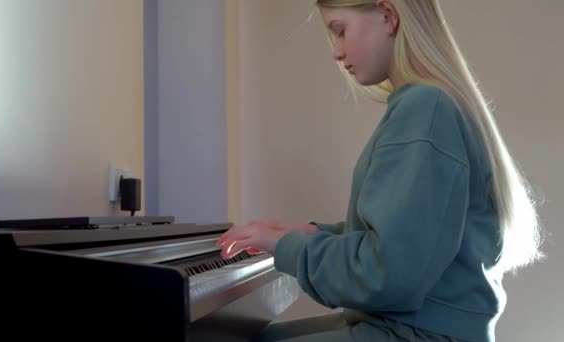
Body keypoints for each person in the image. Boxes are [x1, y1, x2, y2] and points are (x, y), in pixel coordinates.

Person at [217, 1, 544, 341]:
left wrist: (287, 247)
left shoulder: (425, 109)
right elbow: (408, 238)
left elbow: (386, 274)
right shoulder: (432, 104)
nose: (337, 52)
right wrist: (314, 234)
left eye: (340, 31)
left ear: (388, 16)